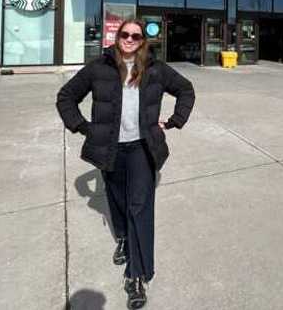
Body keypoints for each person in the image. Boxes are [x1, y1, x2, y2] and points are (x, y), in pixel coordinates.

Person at [56, 18, 195, 309]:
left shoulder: (155, 69)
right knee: (117, 201)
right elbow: (66, 96)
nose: (130, 39)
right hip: (110, 149)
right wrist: (83, 127)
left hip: (143, 149)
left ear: (143, 41)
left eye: (136, 36)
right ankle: (122, 237)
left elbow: (186, 89)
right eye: (125, 34)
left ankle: (138, 275)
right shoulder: (99, 67)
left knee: (139, 208)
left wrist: (172, 122)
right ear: (117, 37)